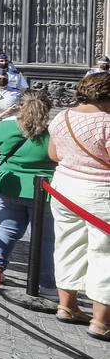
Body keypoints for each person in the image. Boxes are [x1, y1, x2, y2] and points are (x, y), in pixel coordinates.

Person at [44, 73, 110, 340]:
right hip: (100, 193)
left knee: (68, 244)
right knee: (103, 253)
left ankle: (67, 306)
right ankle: (101, 322)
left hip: (64, 189)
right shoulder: (107, 122)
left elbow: (53, 154)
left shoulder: (63, 117)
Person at [0, 89, 57, 292]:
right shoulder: (54, 133)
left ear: (19, 106)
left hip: (7, 183)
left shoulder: (1, 128)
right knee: (44, 238)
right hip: (44, 190)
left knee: (6, 227)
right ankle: (46, 284)